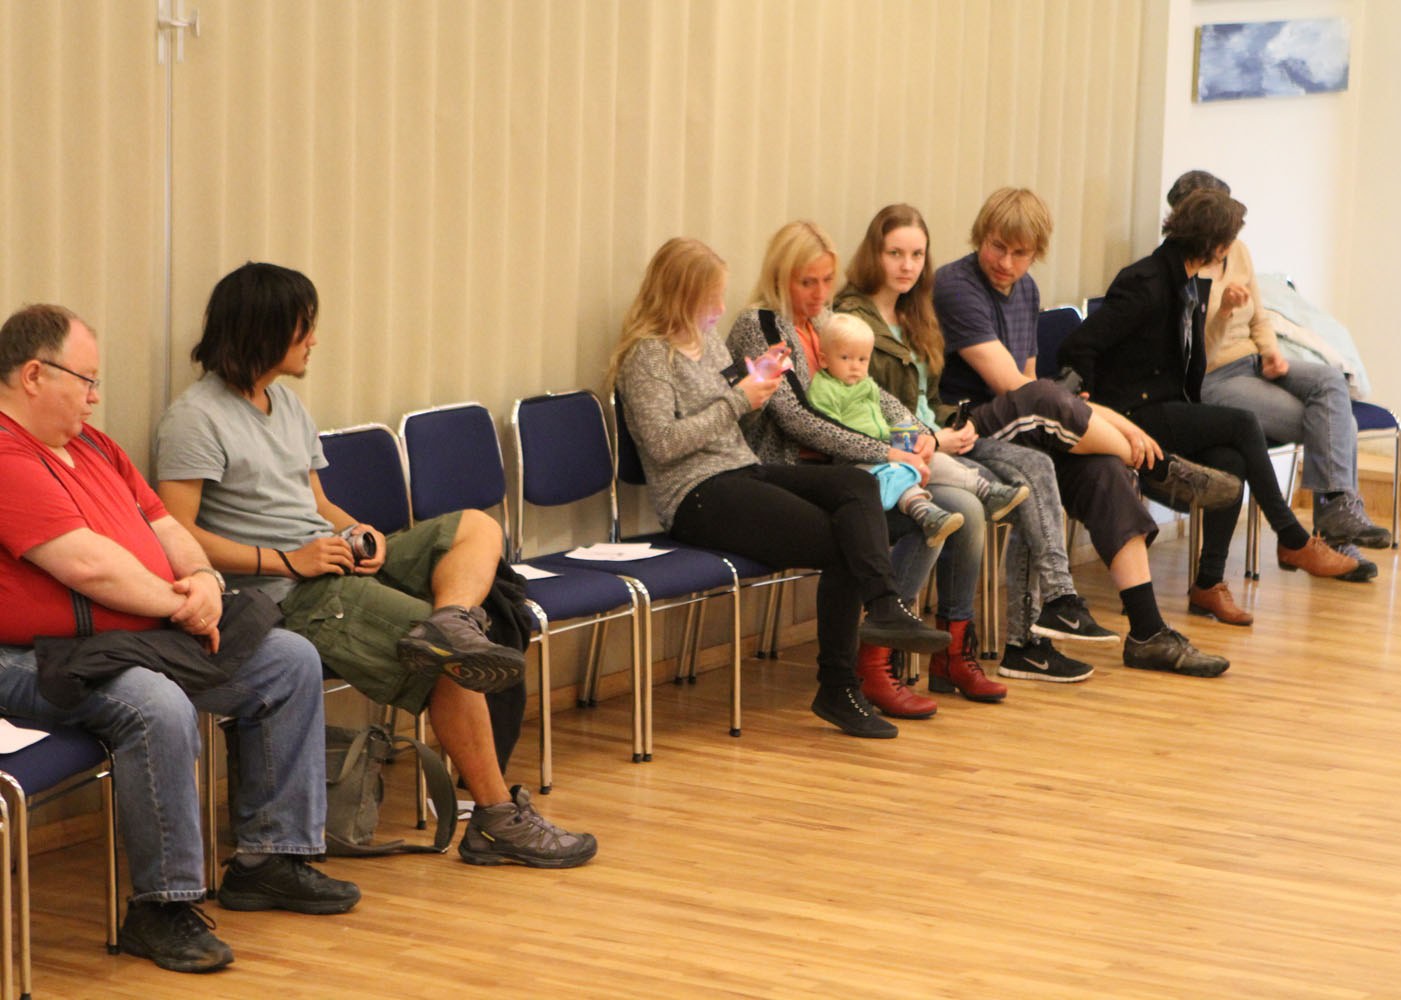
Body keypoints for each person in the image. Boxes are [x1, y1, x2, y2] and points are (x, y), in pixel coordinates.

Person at [153, 262, 596, 869]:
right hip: (286, 592)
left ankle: (452, 619)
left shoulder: (285, 403)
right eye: (304, 327)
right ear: (265, 329)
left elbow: (315, 502)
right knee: (446, 662)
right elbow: (178, 535)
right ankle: (494, 818)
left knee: (477, 526)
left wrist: (356, 530)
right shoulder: (194, 418)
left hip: (330, 560)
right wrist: (289, 560)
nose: (314, 339)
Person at [0, 304, 360, 975]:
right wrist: (183, 605)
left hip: (139, 633)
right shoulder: (5, 455)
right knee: (155, 704)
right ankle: (161, 908)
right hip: (33, 658)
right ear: (33, 376)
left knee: (288, 660)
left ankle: (269, 859)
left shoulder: (96, 447)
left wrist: (200, 579)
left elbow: (166, 526)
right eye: (85, 380)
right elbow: (86, 566)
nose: (95, 396)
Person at [608, 237, 951, 738]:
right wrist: (739, 399)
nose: (720, 308)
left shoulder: (708, 343)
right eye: (711, 297)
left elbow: (735, 416)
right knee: (845, 540)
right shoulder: (648, 357)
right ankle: (839, 685)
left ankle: (883, 608)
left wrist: (761, 379)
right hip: (696, 494)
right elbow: (662, 445)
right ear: (681, 295)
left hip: (742, 470)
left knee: (854, 484)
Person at [934, 187, 1233, 677]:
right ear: (979, 237)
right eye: (996, 247)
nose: (1006, 263)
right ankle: (1160, 469)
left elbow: (1031, 383)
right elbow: (1013, 387)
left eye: (1019, 253)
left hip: (1023, 422)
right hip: (968, 427)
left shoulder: (1027, 290)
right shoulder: (955, 285)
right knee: (1047, 400)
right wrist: (1114, 422)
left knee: (1104, 470)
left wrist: (1106, 421)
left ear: (1036, 253)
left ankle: (1148, 632)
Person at [725, 221, 1013, 715]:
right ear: (780, 276)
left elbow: (870, 392)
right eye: (807, 282)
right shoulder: (761, 324)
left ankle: (944, 655)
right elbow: (797, 420)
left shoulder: (824, 320)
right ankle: (875, 663)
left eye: (826, 281)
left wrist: (914, 435)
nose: (820, 295)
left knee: (960, 511)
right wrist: (889, 453)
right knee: (926, 518)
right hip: (790, 472)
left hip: (850, 467)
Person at [833, 204, 1121, 686]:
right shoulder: (852, 319)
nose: (907, 265)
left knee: (1034, 472)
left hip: (938, 441)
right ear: (873, 254)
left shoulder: (916, 312)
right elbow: (859, 410)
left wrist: (952, 425)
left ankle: (1006, 634)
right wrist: (933, 437)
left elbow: (929, 398)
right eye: (895, 253)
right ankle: (891, 654)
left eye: (917, 255)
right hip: (893, 457)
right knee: (969, 507)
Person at [1058, 188, 1363, 628]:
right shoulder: (1146, 282)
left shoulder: (1186, 281)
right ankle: (1291, 536)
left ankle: (1208, 583)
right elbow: (1080, 344)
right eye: (1229, 242)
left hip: (1164, 406)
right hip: (1131, 413)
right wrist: (1088, 400)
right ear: (1216, 246)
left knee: (1231, 460)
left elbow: (1192, 361)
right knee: (1242, 423)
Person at [1168, 169, 1388, 576]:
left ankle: (1338, 513)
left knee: (1330, 383)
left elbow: (1260, 316)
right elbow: (1196, 357)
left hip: (1253, 361)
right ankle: (1334, 536)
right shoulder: (1178, 270)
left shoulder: (1238, 251)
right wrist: (1223, 312)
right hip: (1214, 379)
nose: (1229, 236)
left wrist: (1271, 353)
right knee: (1330, 423)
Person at [808, 312, 1002, 546]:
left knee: (936, 460)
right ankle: (925, 513)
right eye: (845, 358)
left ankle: (987, 491)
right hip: (856, 461)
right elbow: (832, 433)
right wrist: (889, 452)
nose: (855, 367)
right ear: (824, 360)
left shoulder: (866, 384)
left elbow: (893, 413)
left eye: (862, 360)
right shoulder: (824, 389)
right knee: (896, 476)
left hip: (889, 447)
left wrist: (911, 440)